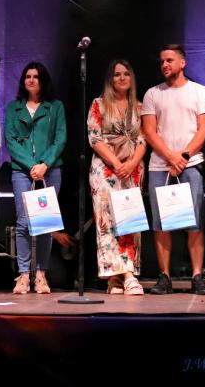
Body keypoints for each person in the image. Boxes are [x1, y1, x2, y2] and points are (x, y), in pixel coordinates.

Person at [140, 45, 205, 295]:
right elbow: (149, 131)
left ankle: (197, 276)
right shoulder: (153, 94)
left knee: (195, 223)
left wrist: (184, 156)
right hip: (160, 167)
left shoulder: (199, 91)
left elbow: (203, 130)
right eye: (162, 61)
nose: (165, 65)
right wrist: (171, 156)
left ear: (182, 63)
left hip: (190, 165)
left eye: (170, 60)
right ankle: (164, 277)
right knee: (161, 224)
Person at [4, 62, 67, 294]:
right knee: (23, 222)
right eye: (28, 76)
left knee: (45, 223)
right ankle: (23, 275)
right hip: (23, 170)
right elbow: (10, 140)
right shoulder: (14, 107)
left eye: (36, 76)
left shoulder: (55, 107)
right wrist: (32, 165)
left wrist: (44, 164)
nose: (31, 80)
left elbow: (60, 139)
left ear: (43, 81)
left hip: (50, 170)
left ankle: (41, 274)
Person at [87, 60, 146, 296]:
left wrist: (131, 164)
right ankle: (119, 276)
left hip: (132, 169)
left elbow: (143, 139)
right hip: (106, 169)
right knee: (107, 222)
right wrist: (116, 163)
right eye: (116, 74)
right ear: (110, 79)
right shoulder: (99, 104)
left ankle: (125, 275)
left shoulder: (139, 107)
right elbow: (95, 137)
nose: (121, 78)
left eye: (126, 74)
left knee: (130, 221)